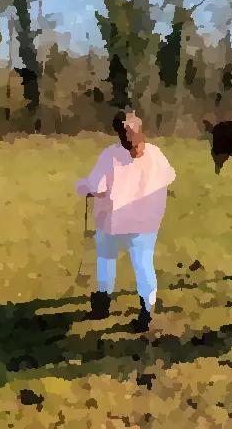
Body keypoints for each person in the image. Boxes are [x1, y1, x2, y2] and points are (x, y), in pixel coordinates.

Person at [75, 110, 176, 332]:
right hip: (146, 224)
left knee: (106, 259)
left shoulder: (110, 155)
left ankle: (102, 304)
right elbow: (170, 177)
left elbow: (97, 187)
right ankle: (146, 311)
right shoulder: (156, 153)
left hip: (113, 222)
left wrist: (81, 186)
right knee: (144, 265)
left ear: (118, 133)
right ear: (141, 130)